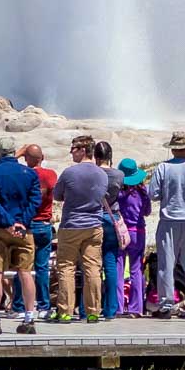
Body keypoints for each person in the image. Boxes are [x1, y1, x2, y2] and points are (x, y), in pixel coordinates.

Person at [0, 136, 41, 335]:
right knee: (25, 272)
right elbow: (35, 200)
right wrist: (21, 222)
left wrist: (7, 222)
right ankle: (29, 319)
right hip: (24, 230)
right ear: (15, 152)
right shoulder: (29, 173)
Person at [149, 131, 185, 319]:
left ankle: (166, 305)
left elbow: (153, 194)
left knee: (166, 264)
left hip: (169, 220)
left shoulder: (163, 168)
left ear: (173, 149)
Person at [53, 135, 108, 324]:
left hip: (71, 225)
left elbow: (57, 195)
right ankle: (93, 311)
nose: (71, 152)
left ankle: (65, 310)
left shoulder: (69, 173)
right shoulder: (101, 173)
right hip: (93, 225)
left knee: (66, 268)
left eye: (73, 149)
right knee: (92, 268)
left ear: (83, 150)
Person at [11, 144, 56, 320]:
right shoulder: (51, 175)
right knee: (42, 267)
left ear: (26, 159)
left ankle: (19, 306)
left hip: (26, 224)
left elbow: (4, 167)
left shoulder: (22, 174)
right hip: (44, 225)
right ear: (42, 158)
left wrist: (18, 153)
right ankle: (43, 307)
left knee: (22, 266)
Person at [93, 141, 124, 321]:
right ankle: (111, 309)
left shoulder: (93, 173)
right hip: (113, 217)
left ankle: (88, 307)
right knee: (111, 264)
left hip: (95, 216)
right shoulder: (119, 175)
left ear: (95, 156)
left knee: (92, 265)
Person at [116, 159, 151, 318]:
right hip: (138, 231)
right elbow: (147, 212)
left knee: (119, 268)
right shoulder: (143, 193)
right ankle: (136, 308)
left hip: (121, 232)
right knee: (137, 269)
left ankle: (117, 306)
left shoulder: (119, 193)